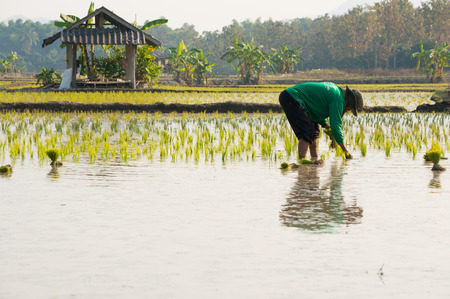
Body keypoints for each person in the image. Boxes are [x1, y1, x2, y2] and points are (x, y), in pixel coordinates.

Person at [279, 82, 363, 162]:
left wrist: (325, 125)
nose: (348, 110)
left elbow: (317, 110)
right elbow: (335, 126)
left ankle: (314, 159)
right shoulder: (338, 99)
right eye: (350, 109)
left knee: (314, 132)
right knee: (307, 132)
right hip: (292, 96)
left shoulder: (337, 92)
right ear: (350, 104)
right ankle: (301, 163)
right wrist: (345, 151)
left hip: (297, 99)